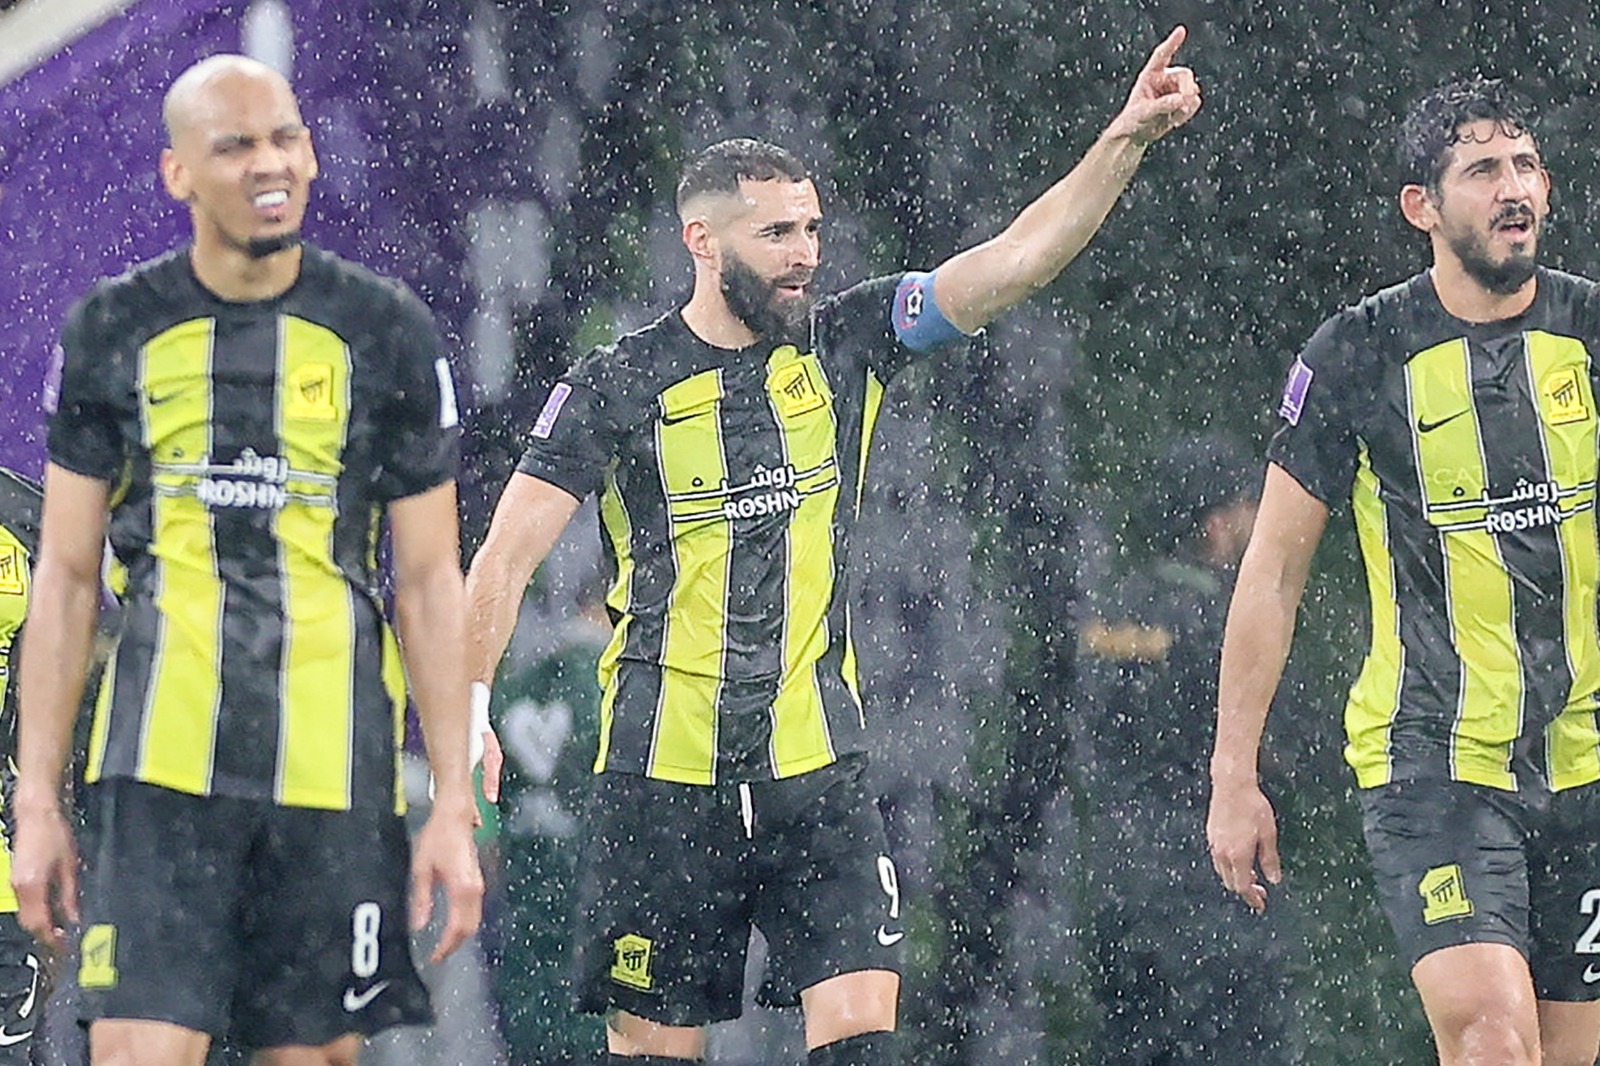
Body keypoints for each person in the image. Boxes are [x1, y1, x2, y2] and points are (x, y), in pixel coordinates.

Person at [466, 26, 1200, 1066]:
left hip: (818, 773)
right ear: (702, 241)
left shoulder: (850, 340)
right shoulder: (617, 387)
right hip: (664, 781)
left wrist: (1122, 140)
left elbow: (1015, 263)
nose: (806, 253)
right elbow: (498, 563)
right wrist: (462, 720)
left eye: (811, 227)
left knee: (862, 1038)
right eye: (775, 233)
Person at [12, 54, 484, 1066]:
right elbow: (65, 578)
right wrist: (38, 796)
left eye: (285, 138)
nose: (271, 163)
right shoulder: (113, 330)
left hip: (332, 771)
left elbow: (431, 581)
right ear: (178, 173)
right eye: (235, 145)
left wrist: (450, 797)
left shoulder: (385, 330)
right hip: (157, 768)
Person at [1207, 77, 1600, 1066]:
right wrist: (1232, 775)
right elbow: (1274, 573)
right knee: (1491, 1036)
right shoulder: (1357, 353)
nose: (1513, 188)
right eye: (1481, 170)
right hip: (1433, 759)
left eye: (1523, 165)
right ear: (1420, 207)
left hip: (1588, 762)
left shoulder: (1589, 334)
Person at [1077, 434, 1302, 1064]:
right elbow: (1282, 748)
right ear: (1214, 523)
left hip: (1119, 877)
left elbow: (1087, 734)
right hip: (1217, 877)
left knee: (1130, 1040)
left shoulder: (1111, 610)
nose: (1257, 522)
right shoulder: (1225, 621)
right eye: (1245, 508)